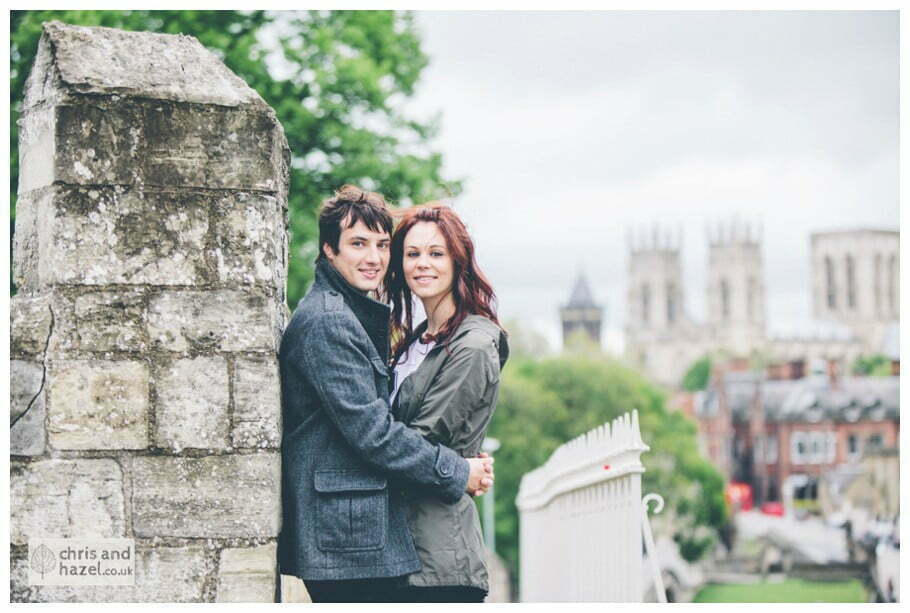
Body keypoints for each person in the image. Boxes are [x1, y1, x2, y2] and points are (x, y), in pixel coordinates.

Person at [277, 186, 494, 603]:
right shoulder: (330, 322)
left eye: (381, 245)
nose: (374, 258)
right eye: (358, 244)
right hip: (348, 534)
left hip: (361, 533)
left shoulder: (353, 315)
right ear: (329, 250)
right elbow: (375, 433)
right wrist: (457, 470)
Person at [385, 203, 509, 602]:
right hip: (402, 552)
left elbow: (415, 446)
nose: (423, 264)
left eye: (436, 254)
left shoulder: (471, 347)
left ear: (458, 261)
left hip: (440, 563)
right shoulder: (415, 341)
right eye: (412, 253)